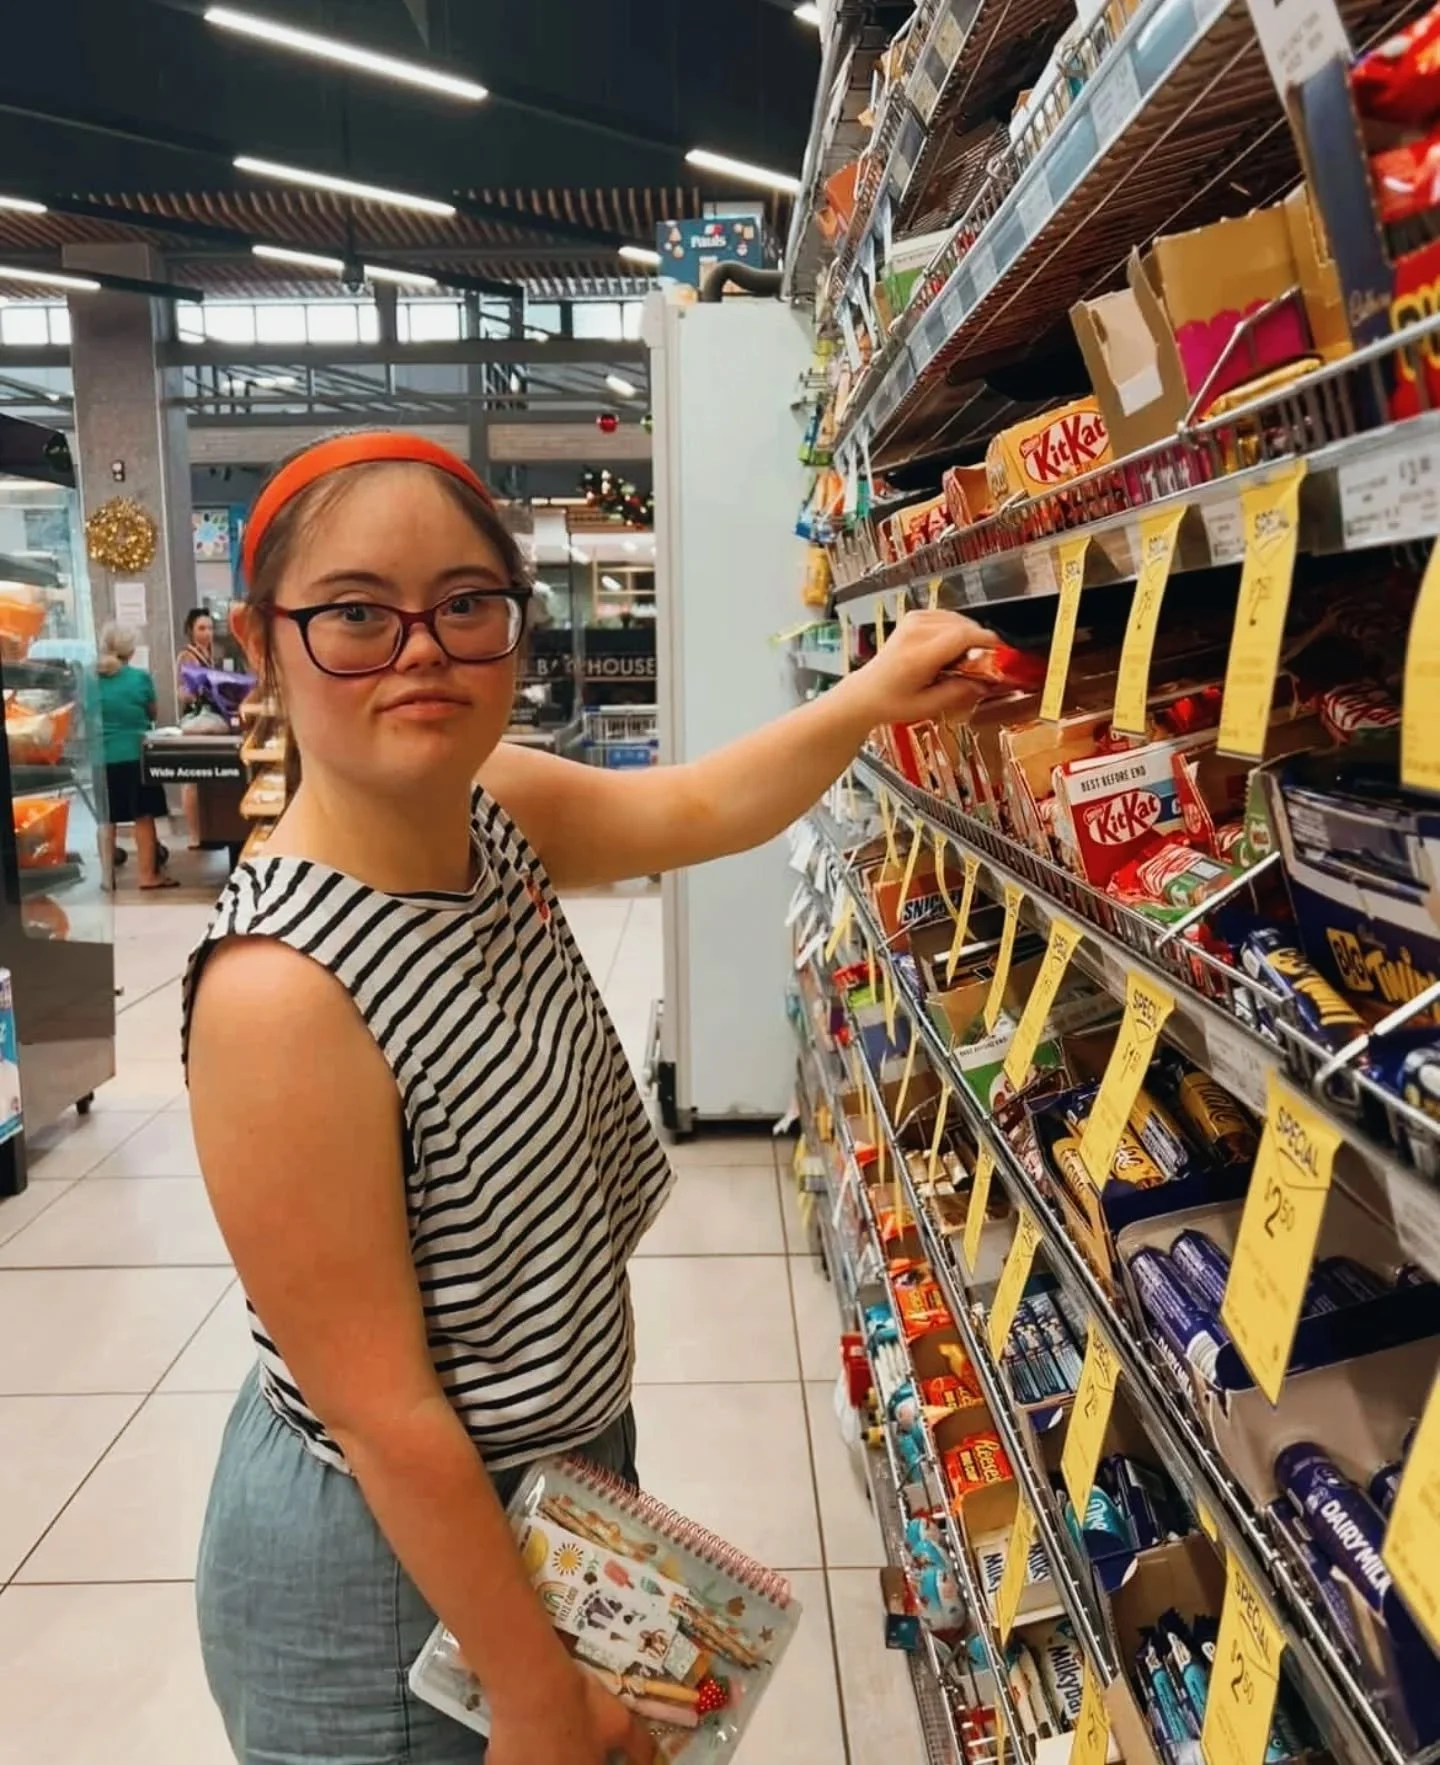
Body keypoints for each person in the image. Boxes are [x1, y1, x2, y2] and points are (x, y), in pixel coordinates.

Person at [185, 430, 997, 1765]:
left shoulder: (484, 806)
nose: (422, 650)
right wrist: (533, 1686)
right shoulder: (282, 992)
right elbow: (383, 1415)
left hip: (548, 1487)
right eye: (353, 614)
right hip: (386, 1559)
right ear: (263, 644)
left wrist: (877, 696)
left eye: (466, 604)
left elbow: (694, 806)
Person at [94, 622, 177, 891]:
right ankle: (148, 876)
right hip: (133, 755)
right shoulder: (139, 678)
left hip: (100, 757)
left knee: (106, 819)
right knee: (143, 815)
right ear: (129, 651)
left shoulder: (88, 678)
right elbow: (152, 714)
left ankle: (108, 878)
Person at [177, 606, 216, 848]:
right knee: (191, 778)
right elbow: (183, 692)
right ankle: (194, 833)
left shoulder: (209, 655)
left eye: (210, 627)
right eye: (202, 628)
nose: (207, 633)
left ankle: (206, 831)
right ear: (191, 631)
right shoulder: (188, 656)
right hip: (194, 718)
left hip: (207, 718)